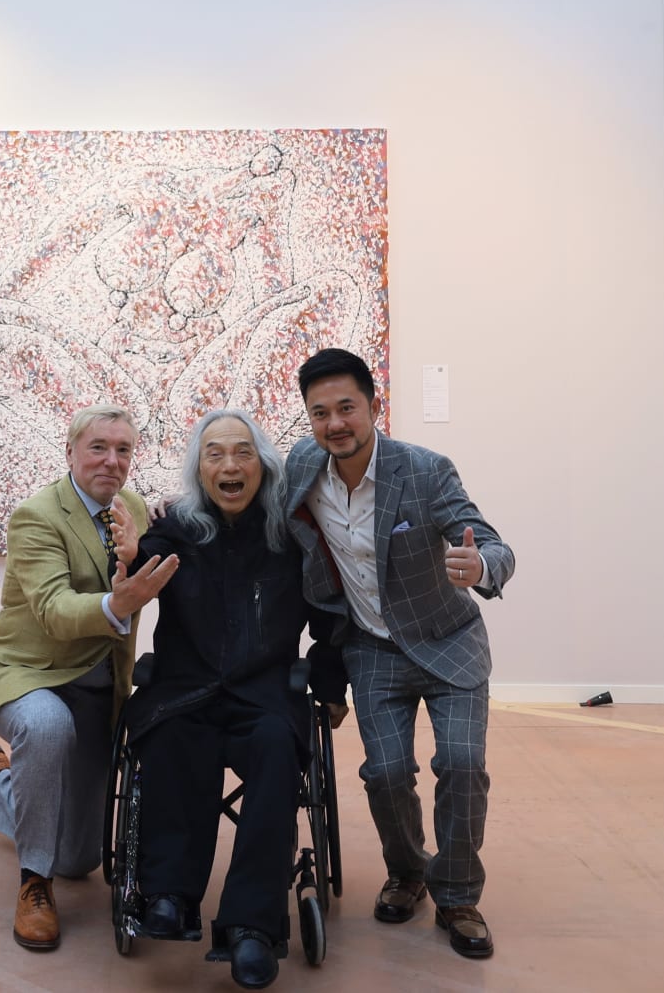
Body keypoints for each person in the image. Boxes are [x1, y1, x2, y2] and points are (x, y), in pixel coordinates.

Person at [280, 349, 515, 960]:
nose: (335, 423)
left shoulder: (425, 470)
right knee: (385, 775)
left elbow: (490, 541)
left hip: (448, 641)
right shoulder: (303, 468)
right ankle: (408, 872)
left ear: (374, 405)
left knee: (462, 764)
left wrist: (481, 564)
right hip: (372, 647)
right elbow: (261, 524)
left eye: (347, 408)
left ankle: (459, 894)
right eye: (320, 412)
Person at [0, 403, 179, 952]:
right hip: (25, 672)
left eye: (123, 450)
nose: (111, 461)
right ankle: (33, 886)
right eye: (98, 447)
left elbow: (162, 552)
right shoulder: (36, 515)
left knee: (79, 860)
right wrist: (117, 604)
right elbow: (53, 608)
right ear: (70, 451)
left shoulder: (133, 508)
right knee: (47, 728)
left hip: (96, 685)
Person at [124, 408, 344, 990]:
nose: (230, 465)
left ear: (263, 466)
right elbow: (137, 568)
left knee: (277, 751)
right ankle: (168, 893)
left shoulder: (290, 535)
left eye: (243, 452)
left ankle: (252, 927)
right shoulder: (174, 529)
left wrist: (330, 686)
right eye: (215, 453)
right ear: (199, 469)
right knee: (171, 739)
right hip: (184, 691)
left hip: (264, 696)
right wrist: (125, 553)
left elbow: (328, 619)